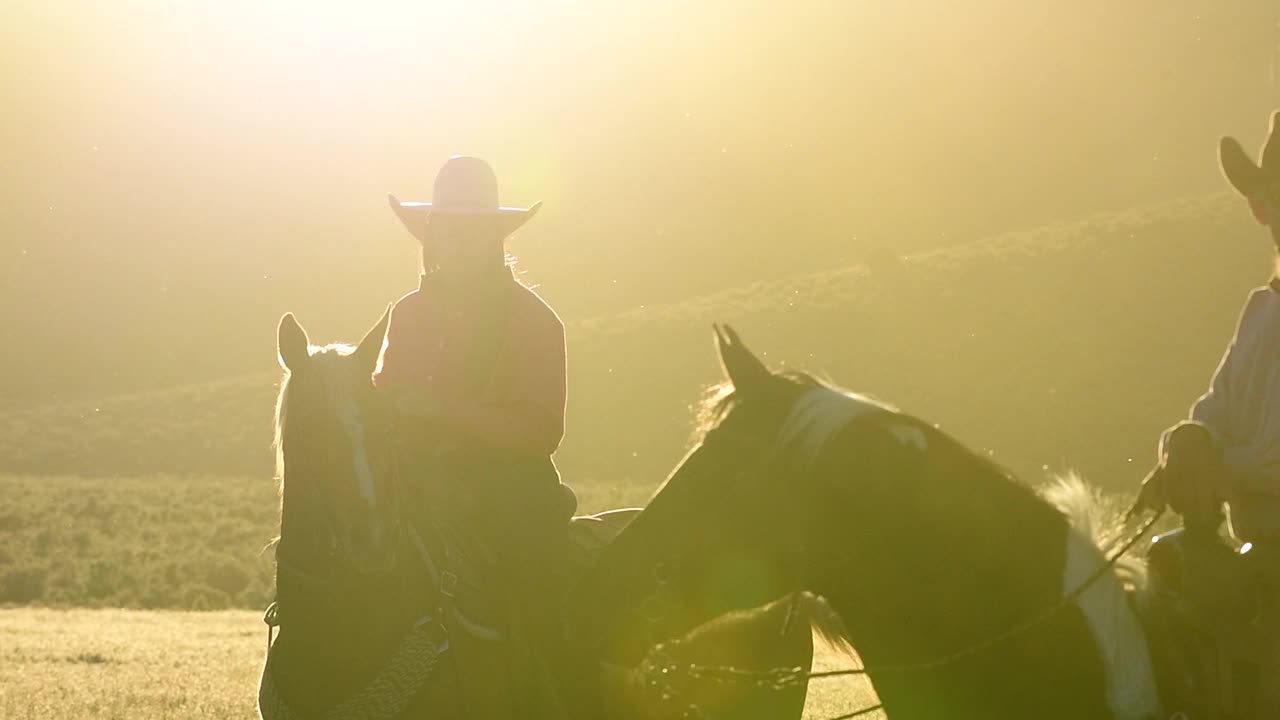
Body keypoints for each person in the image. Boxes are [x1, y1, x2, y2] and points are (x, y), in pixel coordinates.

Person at [374, 155, 574, 716]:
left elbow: (540, 431)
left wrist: (440, 411)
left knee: (540, 603)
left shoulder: (535, 321)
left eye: (468, 230)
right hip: (415, 486)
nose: (454, 241)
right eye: (446, 230)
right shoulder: (408, 315)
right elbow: (387, 395)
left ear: (492, 238)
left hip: (510, 498)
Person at [1138, 110, 1280, 718]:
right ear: (1260, 207)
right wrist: (1183, 449)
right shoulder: (1259, 310)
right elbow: (1214, 406)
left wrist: (1210, 467)